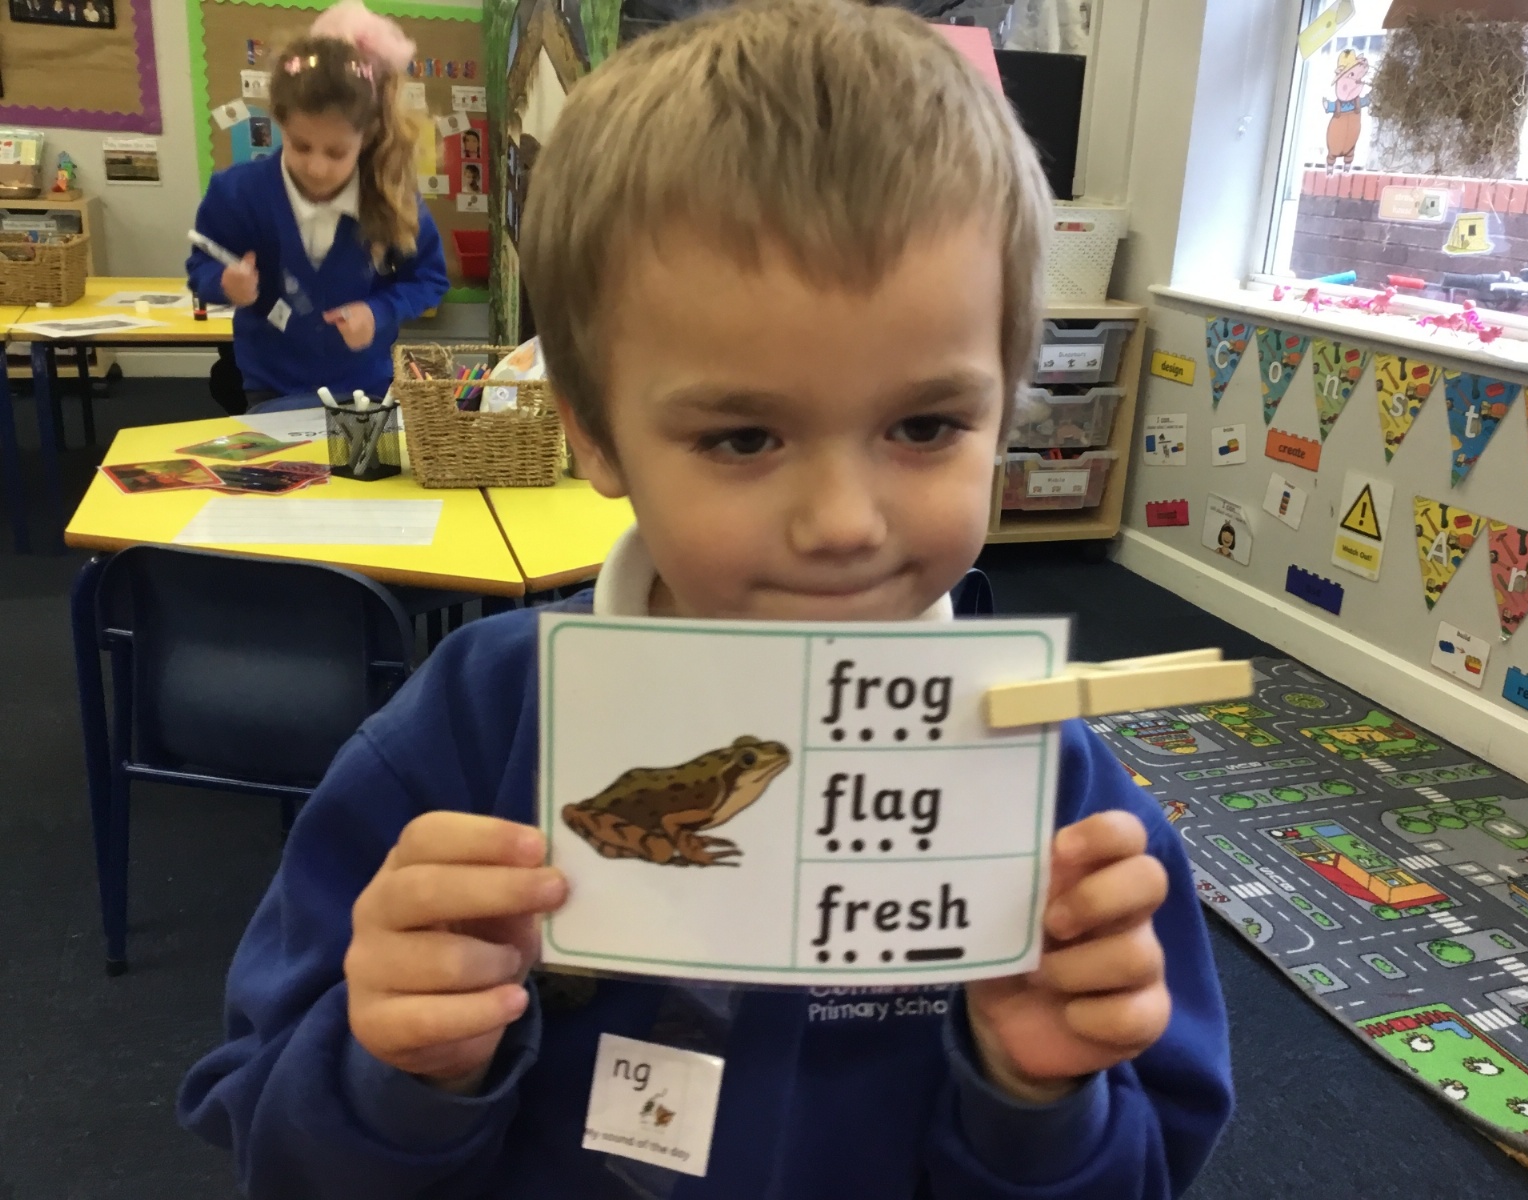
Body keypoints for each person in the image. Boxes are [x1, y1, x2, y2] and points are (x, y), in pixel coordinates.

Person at [176, 2, 1233, 1196]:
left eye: (927, 425)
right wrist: (396, 1073)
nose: (842, 522)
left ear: (1007, 412)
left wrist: (1041, 1105)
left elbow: (1151, 1160)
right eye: (742, 437)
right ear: (593, 435)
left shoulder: (1057, 795)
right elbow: (270, 1142)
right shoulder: (472, 728)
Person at [186, 0, 448, 412]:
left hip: (366, 386)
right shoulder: (237, 193)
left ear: (367, 135)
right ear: (280, 122)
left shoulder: (391, 197)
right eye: (301, 146)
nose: (317, 167)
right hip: (271, 385)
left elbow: (429, 279)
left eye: (336, 152)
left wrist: (378, 313)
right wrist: (224, 283)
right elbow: (200, 265)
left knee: (363, 457)